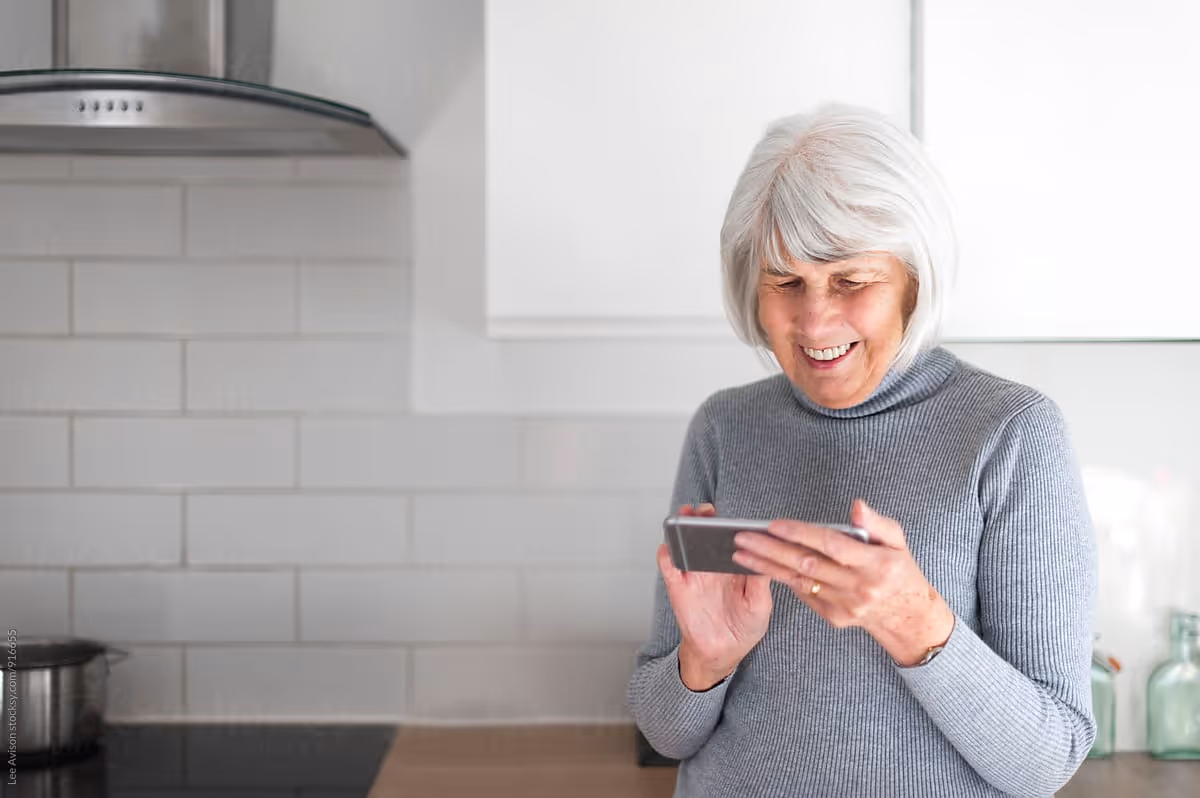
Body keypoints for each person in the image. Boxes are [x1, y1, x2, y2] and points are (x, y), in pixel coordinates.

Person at [627, 104, 1097, 797]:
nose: (815, 320)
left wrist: (914, 621)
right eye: (785, 283)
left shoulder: (1013, 435)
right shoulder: (725, 428)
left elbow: (1046, 759)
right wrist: (706, 660)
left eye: (851, 280)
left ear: (913, 277)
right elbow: (667, 734)